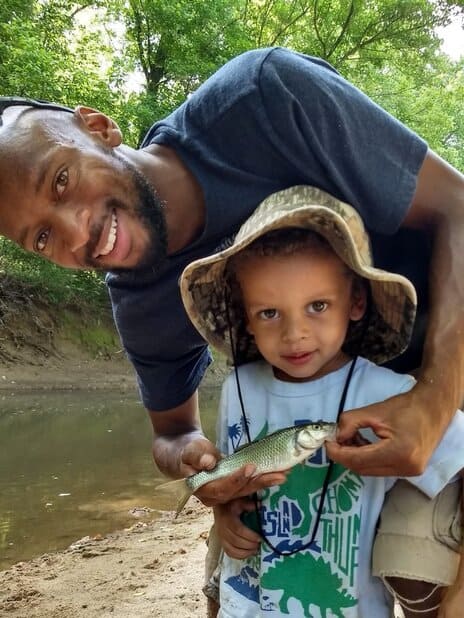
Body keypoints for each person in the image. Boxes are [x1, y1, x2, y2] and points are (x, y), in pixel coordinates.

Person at [0, 47, 463, 511]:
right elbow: (173, 432)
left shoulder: (265, 98)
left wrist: (434, 404)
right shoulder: (140, 303)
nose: (78, 233)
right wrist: (195, 463)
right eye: (42, 238)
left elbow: (458, 208)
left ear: (98, 128)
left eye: (61, 180)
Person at [179, 185, 464, 618]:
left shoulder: (388, 396)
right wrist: (224, 511)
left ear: (356, 302)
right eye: (269, 313)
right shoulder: (240, 386)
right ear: (245, 318)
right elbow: (234, 479)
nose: (295, 334)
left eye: (317, 306)